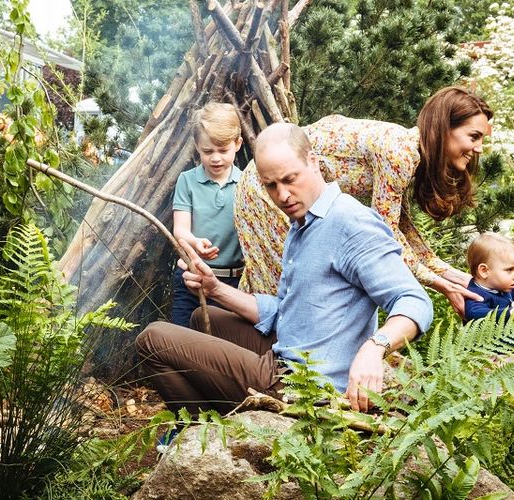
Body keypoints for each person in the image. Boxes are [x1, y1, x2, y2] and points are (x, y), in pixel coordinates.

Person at [136, 123, 433, 429]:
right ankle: (225, 422)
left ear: (314, 162)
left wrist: (375, 347)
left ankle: (206, 430)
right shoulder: (303, 223)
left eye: (290, 179)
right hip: (290, 350)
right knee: (202, 316)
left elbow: (414, 302)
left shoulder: (351, 223)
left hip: (304, 386)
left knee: (152, 339)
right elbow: (289, 311)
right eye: (271, 185)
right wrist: (215, 289)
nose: (283, 195)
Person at [235, 86, 493, 318]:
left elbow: (402, 227)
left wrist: (454, 276)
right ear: (445, 129)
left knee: (282, 283)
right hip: (264, 186)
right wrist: (439, 284)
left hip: (279, 185)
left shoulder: (409, 152)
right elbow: (386, 235)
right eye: (474, 136)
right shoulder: (399, 153)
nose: (479, 148)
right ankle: (276, 365)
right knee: (287, 287)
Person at [170, 102, 245, 327]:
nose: (216, 158)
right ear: (197, 146)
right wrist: (194, 242)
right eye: (207, 151)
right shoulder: (187, 181)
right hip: (191, 277)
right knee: (184, 342)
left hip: (233, 283)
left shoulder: (246, 184)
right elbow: (180, 230)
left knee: (224, 348)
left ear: (238, 144)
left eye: (223, 150)